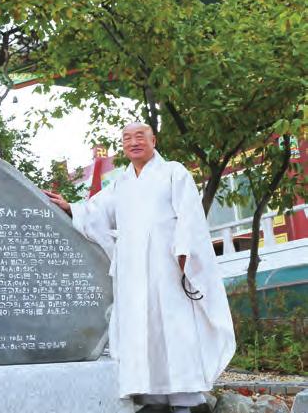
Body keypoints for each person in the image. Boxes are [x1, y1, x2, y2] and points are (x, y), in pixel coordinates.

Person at [44, 123, 235, 413]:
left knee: (175, 326)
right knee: (139, 327)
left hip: (168, 265)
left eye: (139, 136)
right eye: (127, 138)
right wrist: (73, 207)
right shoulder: (121, 182)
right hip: (133, 270)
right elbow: (96, 211)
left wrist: (185, 255)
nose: (133, 142)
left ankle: (185, 397)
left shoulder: (174, 172)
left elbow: (190, 217)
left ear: (153, 140)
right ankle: (151, 395)